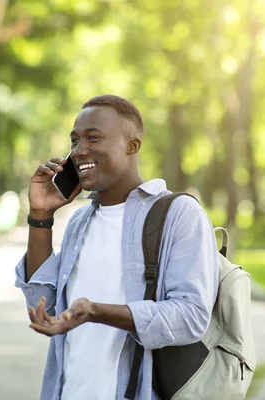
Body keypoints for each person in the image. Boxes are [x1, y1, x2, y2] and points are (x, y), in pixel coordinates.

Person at [14, 95, 219, 400]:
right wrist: (41, 217)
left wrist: (96, 311)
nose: (79, 150)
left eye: (93, 137)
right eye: (74, 141)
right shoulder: (80, 221)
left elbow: (190, 316)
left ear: (132, 145)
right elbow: (42, 304)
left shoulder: (178, 214)